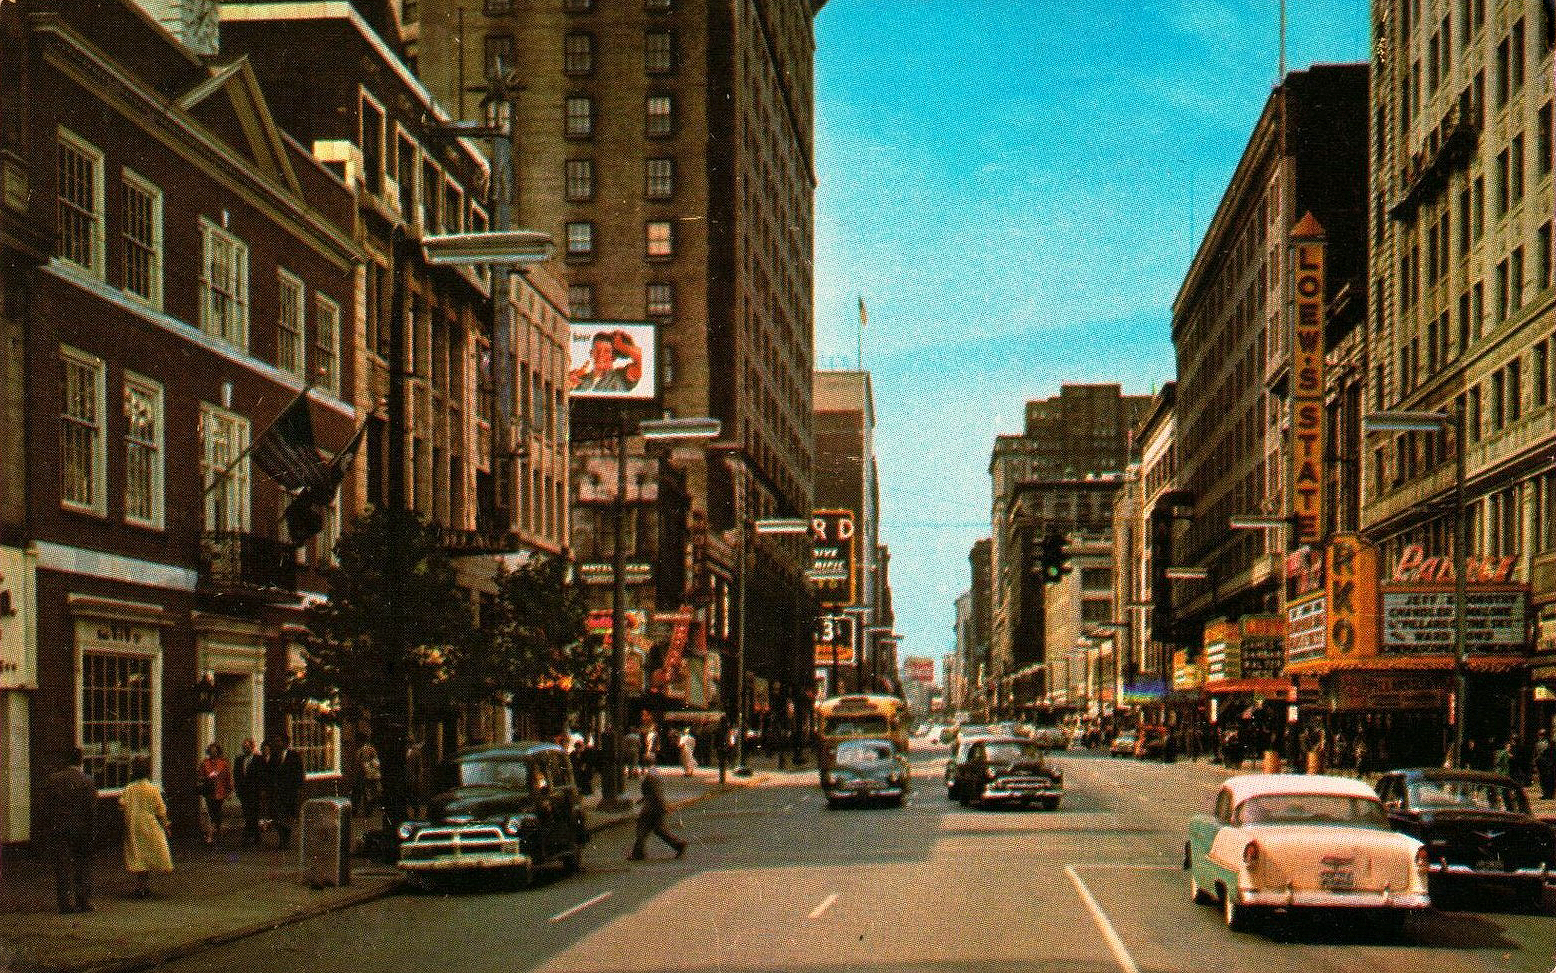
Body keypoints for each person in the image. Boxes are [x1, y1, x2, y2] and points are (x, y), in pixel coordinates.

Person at [45, 747, 98, 913]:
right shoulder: (88, 781)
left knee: (62, 866)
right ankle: (83, 901)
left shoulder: (53, 780)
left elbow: (47, 806)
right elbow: (91, 808)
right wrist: (92, 829)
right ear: (80, 761)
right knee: (83, 865)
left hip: (60, 828)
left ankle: (65, 903)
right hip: (82, 828)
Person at [119, 757, 172, 898]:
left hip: (133, 824)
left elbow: (122, 805)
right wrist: (166, 824)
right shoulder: (152, 789)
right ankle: (143, 886)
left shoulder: (129, 789)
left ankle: (140, 886)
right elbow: (161, 810)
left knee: (137, 854)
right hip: (149, 824)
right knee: (148, 852)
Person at [627, 766, 686, 861]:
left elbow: (655, 793)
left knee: (642, 829)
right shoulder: (654, 775)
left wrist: (661, 806)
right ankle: (678, 845)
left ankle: (638, 853)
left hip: (651, 808)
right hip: (655, 807)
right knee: (658, 830)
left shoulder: (650, 777)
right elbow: (654, 792)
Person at [568, 329, 643, 394]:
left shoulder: (621, 377)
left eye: (606, 351)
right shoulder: (580, 379)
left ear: (613, 357)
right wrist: (567, 384)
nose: (600, 355)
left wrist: (620, 345)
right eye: (597, 350)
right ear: (591, 353)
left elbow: (640, 357)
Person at [268, 734, 305, 849]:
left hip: (290, 791)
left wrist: (299, 788)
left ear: (285, 743)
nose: (276, 744)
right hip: (277, 792)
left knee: (288, 816)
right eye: (275, 742)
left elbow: (299, 773)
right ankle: (281, 838)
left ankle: (286, 839)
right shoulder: (274, 757)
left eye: (279, 741)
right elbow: (269, 773)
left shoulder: (294, 756)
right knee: (278, 816)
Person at [197, 743, 234, 845]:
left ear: (218, 751)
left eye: (215, 750)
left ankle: (215, 831)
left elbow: (228, 776)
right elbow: (200, 776)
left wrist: (230, 790)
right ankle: (212, 833)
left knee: (217, 812)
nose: (213, 752)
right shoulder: (205, 763)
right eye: (211, 750)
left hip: (220, 791)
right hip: (209, 792)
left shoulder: (223, 763)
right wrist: (207, 777)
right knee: (211, 812)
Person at [233, 737, 266, 846]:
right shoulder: (239, 760)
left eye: (247, 747)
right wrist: (237, 789)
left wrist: (262, 790)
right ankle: (255, 835)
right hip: (243, 791)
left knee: (254, 814)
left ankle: (248, 836)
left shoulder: (259, 759)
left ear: (252, 747)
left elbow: (262, 775)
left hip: (255, 791)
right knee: (247, 813)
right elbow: (236, 776)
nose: (245, 749)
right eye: (244, 747)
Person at [357, 743, 382, 818]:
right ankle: (368, 810)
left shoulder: (373, 759)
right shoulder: (365, 760)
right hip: (369, 778)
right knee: (368, 795)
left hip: (372, 778)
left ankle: (369, 810)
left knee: (372, 794)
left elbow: (376, 766)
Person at [1535, 730, 1555, 800]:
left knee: (1548, 779)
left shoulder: (1550, 743)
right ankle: (1545, 794)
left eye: (1542, 734)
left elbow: (1552, 754)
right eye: (1539, 734)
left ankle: (1549, 794)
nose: (1540, 736)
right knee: (1542, 779)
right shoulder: (1538, 743)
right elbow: (1537, 753)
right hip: (1541, 764)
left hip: (1548, 764)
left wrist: (1551, 763)